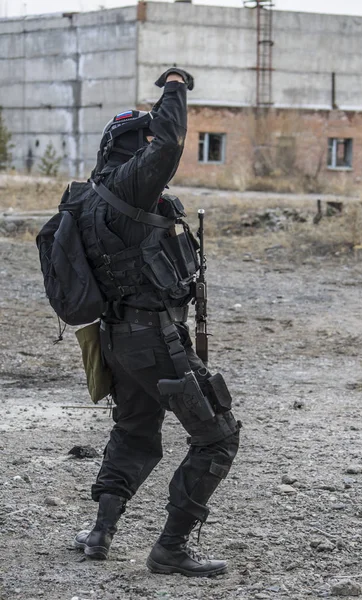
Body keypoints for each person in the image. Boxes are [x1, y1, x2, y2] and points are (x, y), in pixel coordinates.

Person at [73, 68, 240, 577]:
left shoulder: (89, 198)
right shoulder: (131, 185)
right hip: (154, 338)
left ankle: (99, 532)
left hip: (119, 339)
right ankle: (171, 547)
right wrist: (174, 86)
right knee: (218, 437)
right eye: (143, 140)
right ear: (132, 145)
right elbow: (168, 144)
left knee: (136, 433)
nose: (152, 149)